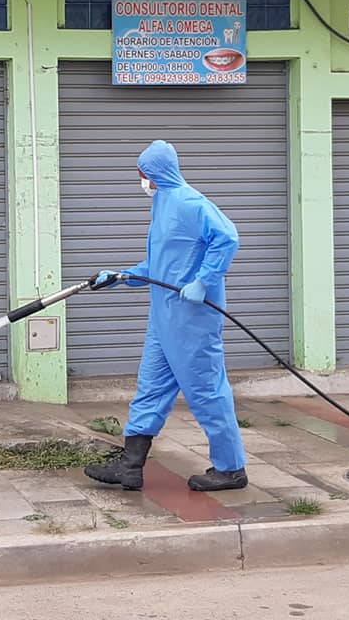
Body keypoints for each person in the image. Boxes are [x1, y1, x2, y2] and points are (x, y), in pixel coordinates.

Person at [84, 140, 249, 492]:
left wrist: (203, 281)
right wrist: (123, 276)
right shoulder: (161, 204)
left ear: (155, 172)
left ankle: (231, 468)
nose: (141, 180)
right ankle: (130, 466)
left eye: (142, 173)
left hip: (192, 321)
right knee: (149, 390)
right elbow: (160, 265)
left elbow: (227, 238)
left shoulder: (191, 203)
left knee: (207, 392)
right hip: (162, 319)